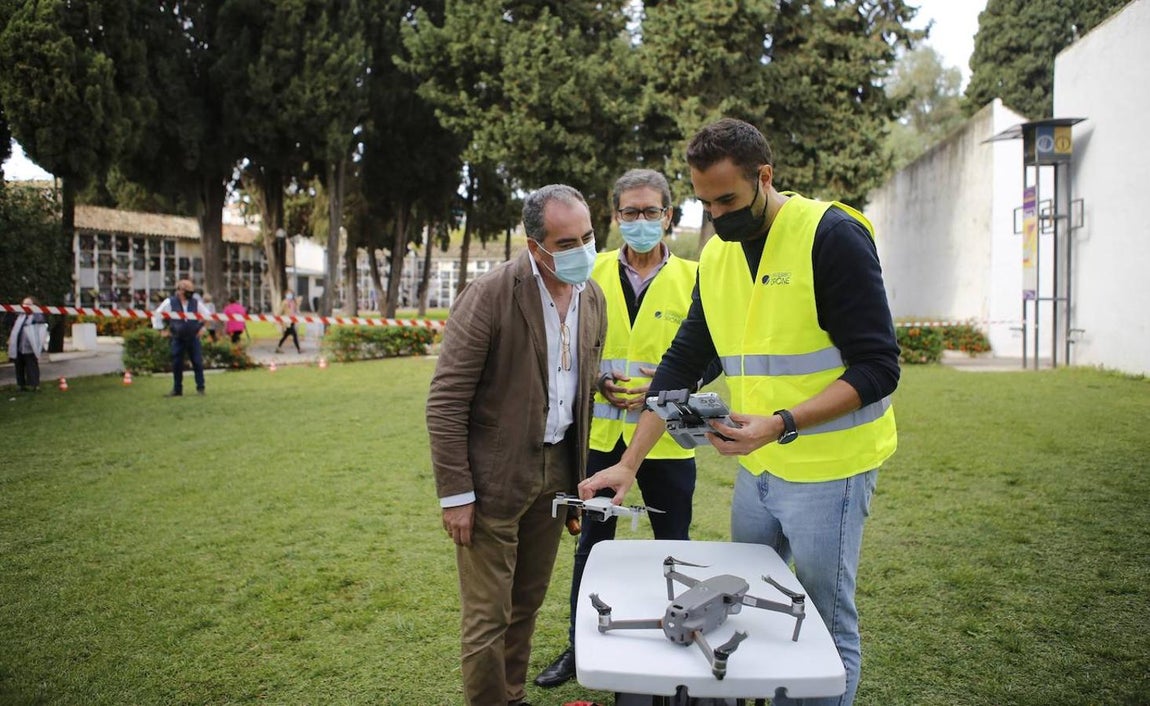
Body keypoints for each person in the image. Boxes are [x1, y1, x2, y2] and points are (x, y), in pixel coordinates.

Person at [579, 118, 899, 706]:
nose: (717, 216)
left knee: (825, 624)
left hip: (831, 470)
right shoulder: (718, 256)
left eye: (726, 199)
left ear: (765, 177)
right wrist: (629, 464)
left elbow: (879, 368)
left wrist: (780, 424)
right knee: (748, 603)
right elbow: (681, 366)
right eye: (704, 203)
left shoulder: (831, 235)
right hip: (759, 473)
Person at [534, 169, 718, 689]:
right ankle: (578, 646)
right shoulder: (586, 272)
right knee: (592, 548)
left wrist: (670, 382)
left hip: (668, 445)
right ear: (614, 218)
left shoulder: (696, 276)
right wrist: (593, 380)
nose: (640, 221)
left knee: (672, 547)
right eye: (630, 212)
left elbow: (716, 354)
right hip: (596, 442)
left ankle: (675, 645)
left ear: (670, 216)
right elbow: (561, 345)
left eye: (651, 211)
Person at [426, 184, 606, 706]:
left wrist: (600, 387)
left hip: (555, 475)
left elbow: (568, 382)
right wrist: (456, 494)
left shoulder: (592, 296)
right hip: (492, 480)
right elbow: (445, 399)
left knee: (527, 604)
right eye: (567, 242)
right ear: (535, 246)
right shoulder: (490, 294)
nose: (582, 250)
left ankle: (512, 695)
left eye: (588, 237)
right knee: (488, 616)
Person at [152, 279, 207, 397]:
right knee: (177, 363)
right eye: (188, 291)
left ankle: (200, 388)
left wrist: (202, 328)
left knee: (197, 362)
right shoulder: (169, 302)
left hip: (193, 337)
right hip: (177, 337)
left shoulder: (196, 302)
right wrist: (161, 329)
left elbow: (207, 315)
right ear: (180, 290)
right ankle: (177, 389)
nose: (190, 293)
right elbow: (157, 314)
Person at [7, 296, 49, 392]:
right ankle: (21, 385)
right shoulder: (20, 316)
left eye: (29, 304)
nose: (26, 306)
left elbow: (39, 327)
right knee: (19, 366)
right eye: (24, 304)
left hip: (30, 346)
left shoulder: (36, 316)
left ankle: (35, 385)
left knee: (31, 366)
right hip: (18, 346)